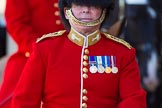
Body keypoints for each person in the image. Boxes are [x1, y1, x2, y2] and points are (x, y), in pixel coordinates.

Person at [10, 0, 146, 107]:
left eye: (93, 5)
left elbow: (133, 101)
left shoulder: (122, 53)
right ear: (66, 10)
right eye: (79, 4)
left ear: (104, 11)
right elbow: (24, 102)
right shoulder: (45, 49)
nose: (86, 10)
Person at [0, 0, 64, 107]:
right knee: (9, 99)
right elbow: (16, 23)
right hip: (32, 53)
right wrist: (39, 50)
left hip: (70, 51)